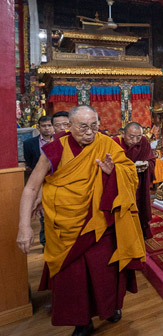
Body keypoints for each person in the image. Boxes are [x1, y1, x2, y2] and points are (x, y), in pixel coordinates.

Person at [16, 105, 144, 336]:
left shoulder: (106, 144)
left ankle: (111, 307)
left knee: (106, 273)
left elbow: (130, 172)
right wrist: (24, 226)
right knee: (74, 280)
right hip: (65, 226)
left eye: (94, 126)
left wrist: (112, 172)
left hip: (100, 222)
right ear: (69, 127)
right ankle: (81, 321)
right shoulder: (55, 149)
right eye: (83, 127)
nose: (89, 132)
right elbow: (31, 187)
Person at [114, 122, 156, 239]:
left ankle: (141, 232)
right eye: (131, 137)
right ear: (123, 134)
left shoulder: (144, 142)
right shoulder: (114, 143)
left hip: (139, 183)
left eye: (138, 137)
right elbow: (111, 164)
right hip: (121, 184)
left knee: (140, 205)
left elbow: (151, 159)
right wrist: (130, 168)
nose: (135, 140)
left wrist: (147, 164)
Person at [23, 116, 55, 247]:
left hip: (54, 180)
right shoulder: (29, 143)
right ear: (39, 127)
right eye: (44, 126)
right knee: (42, 212)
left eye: (49, 125)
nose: (47, 128)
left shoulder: (59, 142)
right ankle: (44, 242)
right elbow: (29, 161)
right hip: (39, 181)